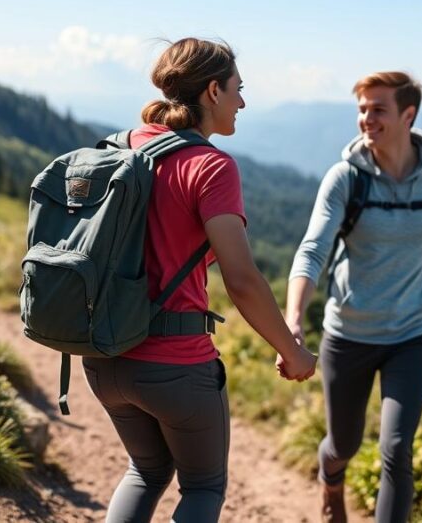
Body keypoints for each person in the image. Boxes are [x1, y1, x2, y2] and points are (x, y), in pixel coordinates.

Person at [83, 38, 318, 523]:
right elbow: (242, 279)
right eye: (238, 89)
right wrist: (291, 351)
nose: (242, 103)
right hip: (175, 364)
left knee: (146, 471)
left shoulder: (117, 147)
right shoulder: (210, 166)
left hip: (102, 355)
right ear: (213, 91)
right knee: (204, 487)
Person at [281, 71, 422, 523]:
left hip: (413, 333)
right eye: (362, 109)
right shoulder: (345, 179)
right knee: (343, 444)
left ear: (408, 115)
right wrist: (293, 318)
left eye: (378, 109)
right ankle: (331, 483)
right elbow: (313, 250)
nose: (366, 119)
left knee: (397, 448)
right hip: (348, 333)